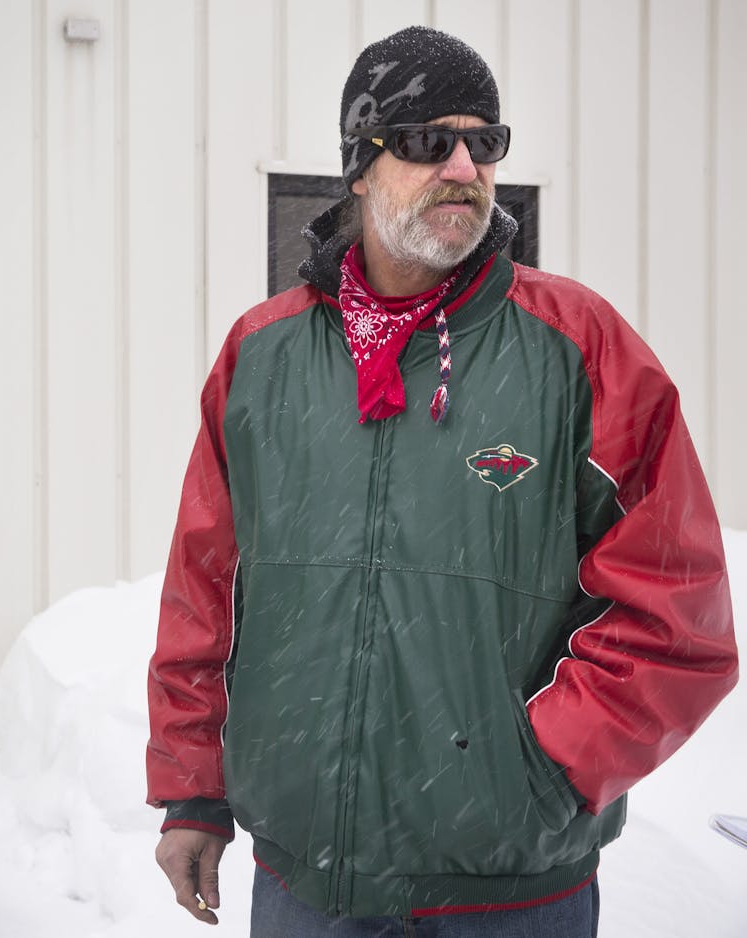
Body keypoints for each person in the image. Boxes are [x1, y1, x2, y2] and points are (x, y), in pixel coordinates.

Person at [146, 25, 738, 936]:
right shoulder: (262, 358)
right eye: (427, 142)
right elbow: (206, 594)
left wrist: (535, 771)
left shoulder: (580, 350)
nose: (464, 165)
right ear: (359, 166)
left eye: (484, 143)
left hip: (509, 896)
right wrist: (194, 794)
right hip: (305, 890)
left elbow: (677, 617)